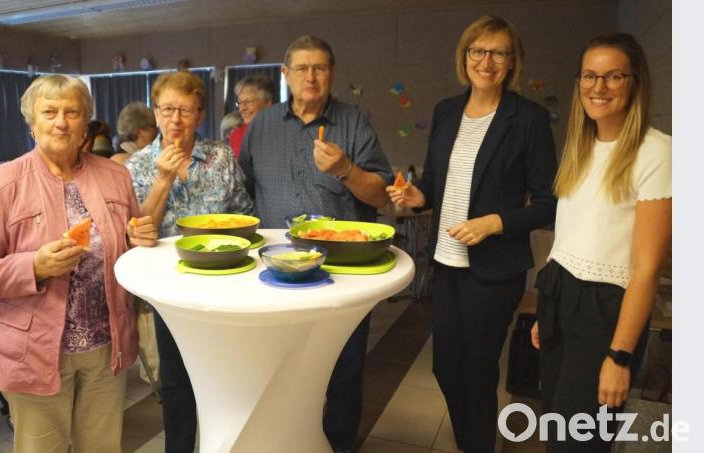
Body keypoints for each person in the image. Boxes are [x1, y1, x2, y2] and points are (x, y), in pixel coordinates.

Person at [0, 74, 158, 453]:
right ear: (31, 121)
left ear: (86, 121)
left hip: (106, 346)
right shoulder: (0, 184)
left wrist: (141, 241)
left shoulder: (116, 176)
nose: (61, 122)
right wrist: (34, 266)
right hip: (33, 351)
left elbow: (129, 251)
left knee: (101, 448)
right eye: (49, 112)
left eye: (72, 112)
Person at [387, 16, 557, 453]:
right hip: (446, 263)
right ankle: (471, 440)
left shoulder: (528, 119)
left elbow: (549, 202)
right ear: (464, 57)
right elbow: (436, 188)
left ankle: (477, 444)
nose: (487, 61)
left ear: (512, 61)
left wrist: (496, 222)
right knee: (446, 367)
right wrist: (413, 195)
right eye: (478, 51)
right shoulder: (447, 112)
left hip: (495, 269)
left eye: (499, 52)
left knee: (479, 373)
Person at [239, 35, 392, 453]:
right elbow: (247, 191)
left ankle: (339, 445)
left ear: (332, 74)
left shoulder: (354, 122)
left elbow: (380, 195)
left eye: (320, 67)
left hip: (340, 273)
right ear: (285, 75)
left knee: (343, 367)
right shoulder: (262, 125)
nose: (311, 76)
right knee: (279, 366)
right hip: (276, 273)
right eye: (302, 68)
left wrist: (345, 169)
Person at [530, 33, 671, 452]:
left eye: (613, 76)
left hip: (607, 311)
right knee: (555, 426)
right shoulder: (581, 145)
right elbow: (569, 235)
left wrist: (620, 357)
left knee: (582, 439)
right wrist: (546, 312)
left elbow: (647, 268)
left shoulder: (656, 152)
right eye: (589, 76)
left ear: (635, 82)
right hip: (560, 294)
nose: (599, 87)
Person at [126, 70, 253, 453]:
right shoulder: (138, 165)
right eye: (167, 109)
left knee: (227, 377)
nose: (175, 120)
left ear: (199, 114)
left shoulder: (220, 156)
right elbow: (138, 229)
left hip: (225, 284)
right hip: (171, 291)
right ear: (155, 112)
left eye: (185, 110)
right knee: (176, 381)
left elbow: (245, 214)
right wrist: (163, 178)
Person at [228, 73, 275, 158]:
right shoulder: (236, 135)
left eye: (248, 102)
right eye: (240, 103)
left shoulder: (282, 132)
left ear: (267, 103)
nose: (242, 109)